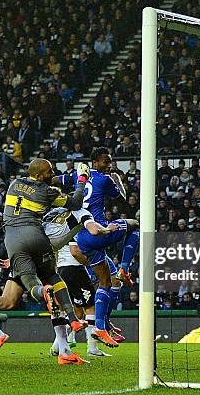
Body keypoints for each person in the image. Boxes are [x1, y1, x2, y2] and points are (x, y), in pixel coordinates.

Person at [0, 158, 89, 365]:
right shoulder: (47, 192)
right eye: (49, 171)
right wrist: (81, 179)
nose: (52, 174)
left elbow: (43, 181)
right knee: (51, 277)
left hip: (13, 242)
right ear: (41, 175)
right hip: (35, 237)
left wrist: (64, 177)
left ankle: (63, 345)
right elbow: (76, 202)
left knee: (16, 294)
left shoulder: (15, 183)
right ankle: (73, 320)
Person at [54, 147, 138, 347]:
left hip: (82, 239)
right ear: (95, 162)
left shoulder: (77, 176)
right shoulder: (105, 179)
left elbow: (56, 180)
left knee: (105, 283)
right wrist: (117, 179)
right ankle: (125, 268)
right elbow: (122, 197)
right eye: (105, 162)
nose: (109, 166)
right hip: (99, 232)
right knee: (135, 226)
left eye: (110, 162)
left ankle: (101, 327)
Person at [42, 207, 118, 359]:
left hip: (62, 270)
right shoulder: (71, 224)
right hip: (75, 269)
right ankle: (92, 347)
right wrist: (90, 264)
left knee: (70, 310)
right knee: (90, 306)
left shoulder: (55, 226)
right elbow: (75, 252)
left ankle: (58, 346)